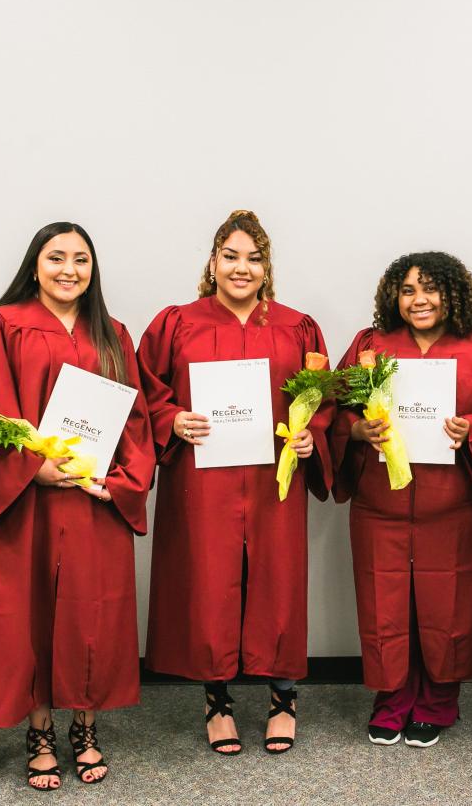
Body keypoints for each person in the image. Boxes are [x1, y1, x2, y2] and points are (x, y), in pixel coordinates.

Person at [0, 222, 154, 790]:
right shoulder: (0, 326)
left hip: (94, 500)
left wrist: (117, 481)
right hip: (30, 503)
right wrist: (31, 468)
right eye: (57, 257)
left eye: (81, 260)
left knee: (92, 613)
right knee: (32, 609)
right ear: (34, 264)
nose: (70, 269)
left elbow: (136, 423)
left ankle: (85, 728)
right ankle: (40, 731)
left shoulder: (112, 333)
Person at [136, 209, 333, 756]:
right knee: (209, 581)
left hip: (275, 479)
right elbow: (145, 390)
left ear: (268, 266)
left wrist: (311, 435)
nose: (242, 268)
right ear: (213, 261)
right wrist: (171, 419)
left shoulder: (298, 326)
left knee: (278, 580)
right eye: (231, 256)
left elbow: (323, 402)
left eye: (254, 258)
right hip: (203, 481)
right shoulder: (177, 322)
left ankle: (283, 696)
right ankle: (216, 698)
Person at [332, 252, 472, 748]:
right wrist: (356, 429)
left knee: (449, 602)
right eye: (408, 290)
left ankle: (438, 699)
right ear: (394, 296)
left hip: (456, 503)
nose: (419, 300)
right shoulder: (370, 346)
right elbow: (333, 410)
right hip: (381, 501)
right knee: (385, 601)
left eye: (431, 289)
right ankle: (391, 698)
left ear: (454, 294)